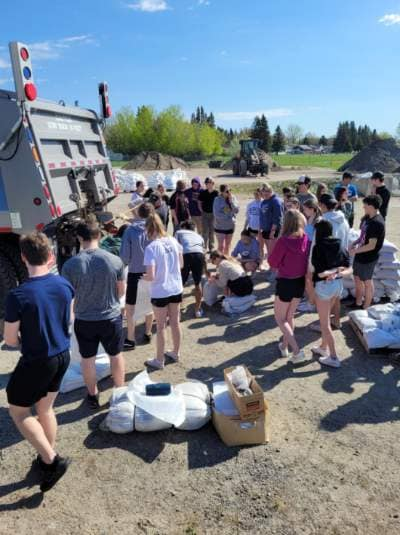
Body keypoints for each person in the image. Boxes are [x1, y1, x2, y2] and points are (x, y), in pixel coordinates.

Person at [4, 232, 74, 492]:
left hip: (37, 359)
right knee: (45, 409)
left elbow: (10, 340)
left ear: (23, 258)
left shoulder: (18, 296)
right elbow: (68, 318)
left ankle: (52, 460)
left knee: (19, 410)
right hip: (63, 354)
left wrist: (25, 338)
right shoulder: (64, 285)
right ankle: (46, 458)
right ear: (51, 255)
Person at [62, 221, 126, 408]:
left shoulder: (70, 265)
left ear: (80, 238)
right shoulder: (115, 260)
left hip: (84, 319)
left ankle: (92, 395)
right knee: (116, 355)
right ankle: (120, 392)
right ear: (99, 236)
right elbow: (121, 292)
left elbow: (69, 295)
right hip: (111, 317)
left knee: (87, 360)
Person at [268, 210, 311, 363]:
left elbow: (272, 263)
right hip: (300, 282)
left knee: (280, 319)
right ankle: (284, 346)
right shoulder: (306, 238)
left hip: (286, 282)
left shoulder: (283, 241)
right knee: (289, 317)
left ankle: (297, 351)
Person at [143, 213, 184, 370]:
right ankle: (175, 352)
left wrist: (143, 277)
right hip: (175, 287)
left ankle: (159, 360)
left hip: (160, 290)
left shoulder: (151, 248)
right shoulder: (173, 241)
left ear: (148, 229)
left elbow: (151, 275)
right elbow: (180, 264)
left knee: (160, 327)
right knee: (175, 322)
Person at [311, 220, 351, 368]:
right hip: (338, 285)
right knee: (326, 318)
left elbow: (320, 274)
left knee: (325, 323)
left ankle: (333, 357)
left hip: (324, 287)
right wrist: (337, 271)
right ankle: (323, 347)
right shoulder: (340, 244)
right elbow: (349, 268)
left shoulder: (318, 247)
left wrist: (331, 272)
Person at [120, 202, 155, 349]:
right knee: (150, 302)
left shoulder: (129, 230)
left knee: (130, 306)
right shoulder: (154, 229)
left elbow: (124, 256)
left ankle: (130, 338)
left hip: (134, 272)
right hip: (151, 272)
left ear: (138, 213)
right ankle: (147, 332)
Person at [349, 195, 386, 310]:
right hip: (360, 254)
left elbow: (371, 245)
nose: (363, 207)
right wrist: (355, 242)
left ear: (371, 206)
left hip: (368, 257)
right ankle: (358, 302)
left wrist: (355, 251)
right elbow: (363, 235)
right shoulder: (367, 218)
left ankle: (366, 307)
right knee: (357, 279)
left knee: (367, 282)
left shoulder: (377, 223)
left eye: (365, 205)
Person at [175, 220, 206, 318]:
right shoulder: (199, 236)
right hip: (199, 255)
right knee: (198, 284)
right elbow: (203, 253)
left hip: (185, 255)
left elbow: (175, 248)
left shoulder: (179, 232)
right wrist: (206, 270)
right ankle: (197, 310)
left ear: (183, 227)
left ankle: (177, 313)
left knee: (180, 284)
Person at [259, 183, 284, 273]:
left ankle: (274, 272)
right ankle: (272, 268)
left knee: (272, 253)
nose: (263, 195)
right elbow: (262, 216)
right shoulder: (264, 201)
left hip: (272, 231)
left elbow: (277, 218)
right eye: (262, 193)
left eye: (265, 193)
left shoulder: (276, 201)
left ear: (270, 191)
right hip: (265, 230)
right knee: (269, 252)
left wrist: (273, 231)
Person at [213, 184, 239, 255]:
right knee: (221, 246)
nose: (229, 192)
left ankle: (225, 261)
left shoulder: (233, 198)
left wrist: (231, 202)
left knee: (228, 245)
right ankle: (219, 262)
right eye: (227, 191)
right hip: (220, 226)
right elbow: (217, 214)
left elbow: (236, 210)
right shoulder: (217, 199)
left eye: (230, 190)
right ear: (222, 192)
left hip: (230, 226)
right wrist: (229, 215)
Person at [199, 177, 218, 252]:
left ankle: (211, 247)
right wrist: (201, 210)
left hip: (213, 214)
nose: (209, 184)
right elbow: (199, 202)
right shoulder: (203, 193)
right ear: (206, 184)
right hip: (205, 214)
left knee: (212, 231)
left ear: (213, 184)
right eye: (207, 183)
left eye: (211, 183)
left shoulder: (216, 193)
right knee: (205, 231)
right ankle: (204, 247)